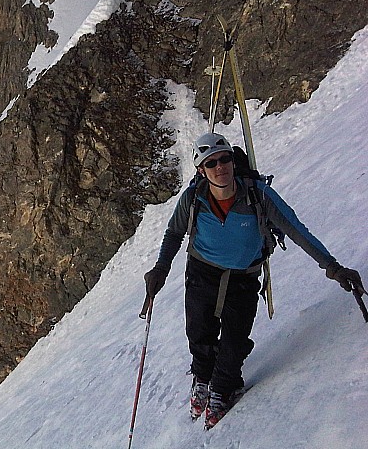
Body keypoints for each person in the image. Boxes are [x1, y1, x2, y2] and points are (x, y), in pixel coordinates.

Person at [143, 132, 365, 429]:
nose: (220, 166)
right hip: (201, 271)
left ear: (232, 161)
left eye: (224, 159)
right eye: (211, 163)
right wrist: (160, 268)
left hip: (243, 278)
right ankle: (203, 378)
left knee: (234, 341)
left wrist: (333, 267)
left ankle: (223, 388)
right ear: (201, 170)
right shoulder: (193, 198)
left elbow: (297, 230)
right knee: (199, 332)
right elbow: (173, 233)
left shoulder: (257, 195)